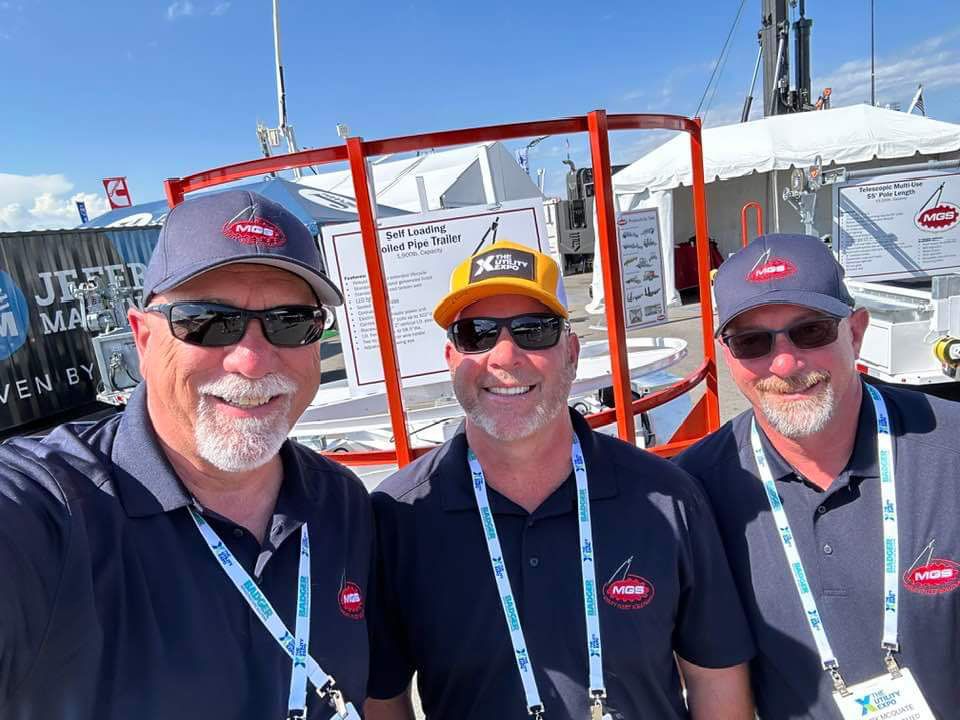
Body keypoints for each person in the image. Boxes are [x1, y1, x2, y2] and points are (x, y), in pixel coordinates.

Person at [0, 190, 370, 719]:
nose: (251, 359)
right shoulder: (48, 512)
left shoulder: (341, 501)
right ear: (143, 340)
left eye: (291, 321)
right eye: (207, 322)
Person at [365, 240, 756, 720]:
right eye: (477, 333)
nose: (504, 356)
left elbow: (715, 676)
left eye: (533, 331)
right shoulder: (397, 516)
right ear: (452, 356)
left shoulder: (667, 498)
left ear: (571, 351)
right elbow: (382, 697)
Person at [676, 233, 960, 719]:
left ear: (855, 332)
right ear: (729, 356)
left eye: (810, 332)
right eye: (752, 342)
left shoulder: (949, 447)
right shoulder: (693, 489)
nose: (785, 363)